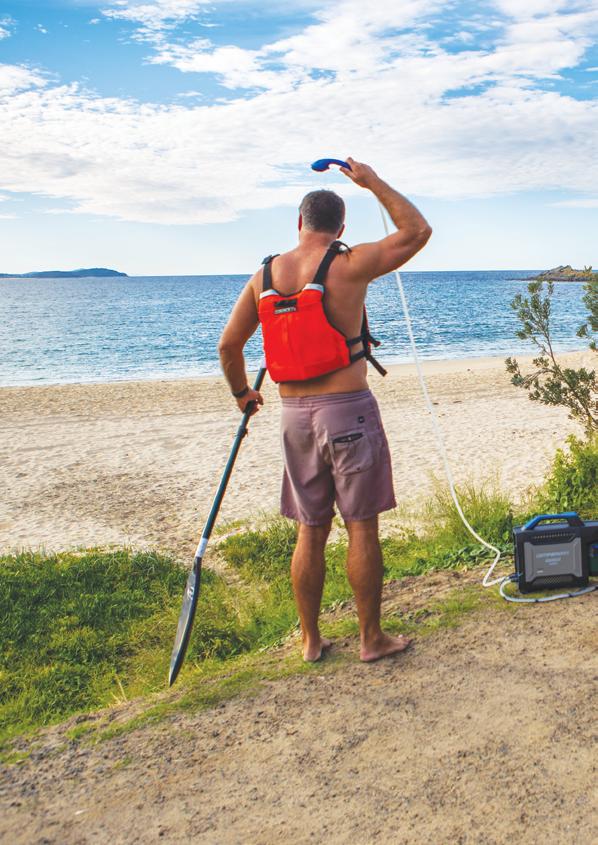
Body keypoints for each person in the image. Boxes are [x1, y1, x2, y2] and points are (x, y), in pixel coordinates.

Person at [218, 157, 432, 662]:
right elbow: (417, 231)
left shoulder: (264, 275)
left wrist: (243, 394)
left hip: (293, 418)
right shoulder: (349, 263)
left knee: (310, 530)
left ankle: (311, 641)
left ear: (299, 222)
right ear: (341, 226)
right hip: (347, 412)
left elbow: (229, 346)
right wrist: (372, 181)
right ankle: (371, 639)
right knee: (361, 525)